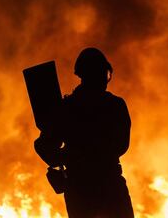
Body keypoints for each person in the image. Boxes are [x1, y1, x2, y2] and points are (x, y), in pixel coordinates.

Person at [35, 47, 134, 218]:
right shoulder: (114, 105)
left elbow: (44, 145)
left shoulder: (66, 108)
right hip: (108, 186)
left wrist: (65, 158)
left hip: (80, 190)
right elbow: (120, 146)